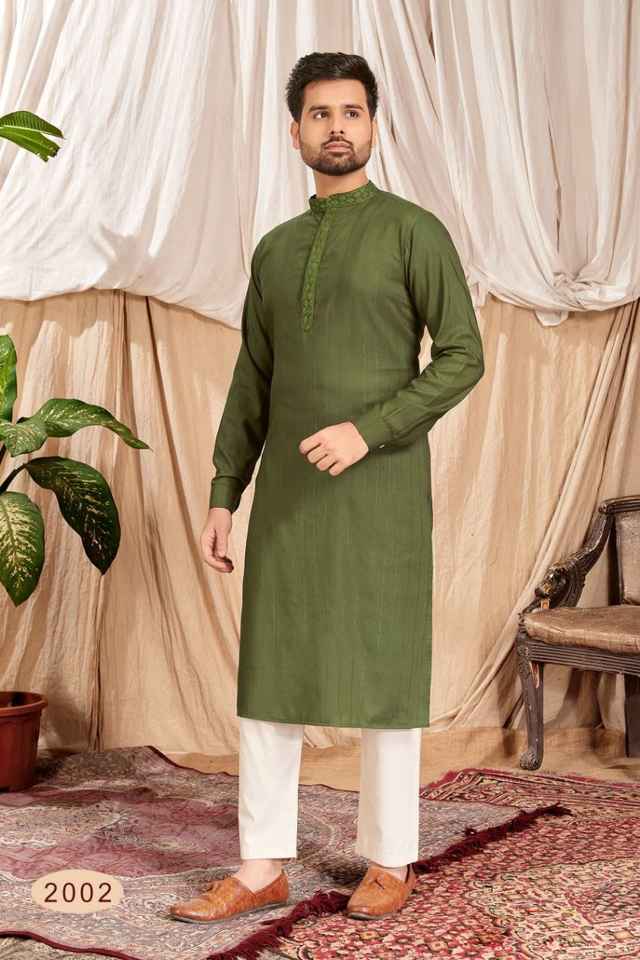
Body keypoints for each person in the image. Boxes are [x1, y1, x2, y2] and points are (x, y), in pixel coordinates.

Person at [170, 51, 484, 925]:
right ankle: (260, 864)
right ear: (296, 131)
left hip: (381, 489)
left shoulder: (414, 232)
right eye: (320, 114)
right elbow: (254, 379)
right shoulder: (275, 250)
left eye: (351, 111)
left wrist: (368, 429)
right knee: (271, 670)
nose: (336, 127)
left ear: (374, 126)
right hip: (290, 499)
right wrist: (224, 491)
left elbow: (463, 355)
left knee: (385, 669)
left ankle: (389, 860)